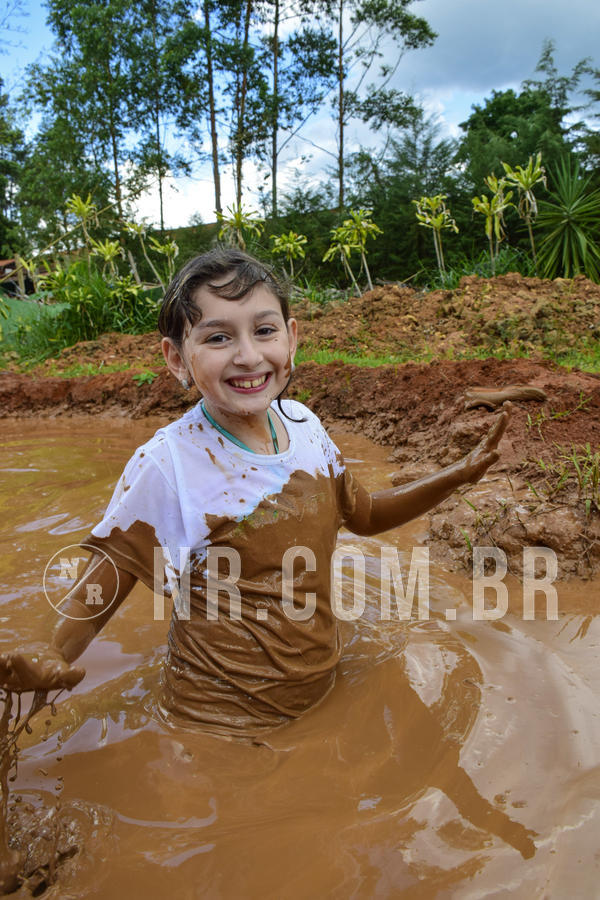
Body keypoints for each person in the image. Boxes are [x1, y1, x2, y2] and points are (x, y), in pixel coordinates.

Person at [0, 248, 510, 736]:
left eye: (263, 331)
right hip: (215, 721)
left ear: (290, 339)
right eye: (218, 338)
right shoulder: (169, 462)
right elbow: (105, 579)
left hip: (320, 687)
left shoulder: (306, 427)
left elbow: (366, 514)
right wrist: (50, 651)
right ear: (177, 359)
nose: (248, 356)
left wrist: (457, 474)